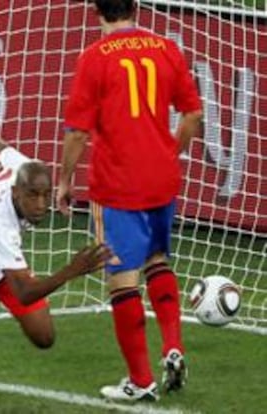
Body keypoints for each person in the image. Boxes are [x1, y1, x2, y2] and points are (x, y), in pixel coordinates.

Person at [57, 0, 203, 403]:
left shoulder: (93, 58)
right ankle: (173, 346)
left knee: (123, 282)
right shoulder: (166, 48)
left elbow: (76, 132)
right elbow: (192, 114)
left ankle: (140, 381)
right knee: (158, 259)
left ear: (95, 9)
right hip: (162, 179)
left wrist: (64, 179)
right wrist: (170, 153)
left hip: (117, 184)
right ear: (136, 7)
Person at [0, 124, 112, 414]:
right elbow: (25, 293)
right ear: (15, 192)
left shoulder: (23, 167)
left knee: (44, 337)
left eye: (45, 195)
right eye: (32, 196)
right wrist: (71, 270)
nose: (41, 205)